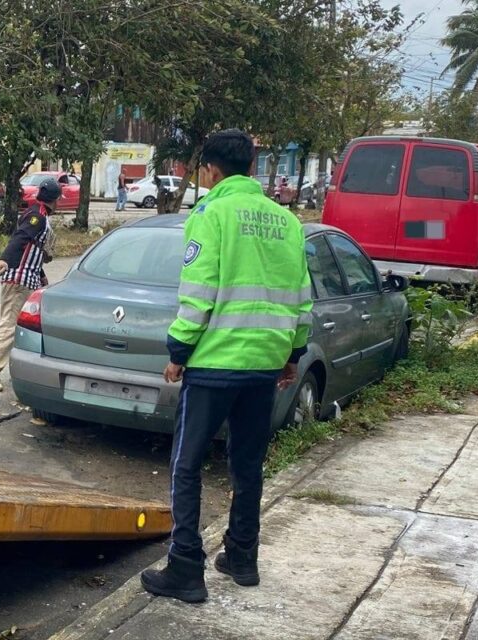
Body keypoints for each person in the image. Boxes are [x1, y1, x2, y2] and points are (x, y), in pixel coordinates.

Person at [140, 129, 313, 604]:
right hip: (265, 365)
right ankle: (241, 557)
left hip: (216, 362)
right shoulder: (286, 221)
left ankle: (185, 568)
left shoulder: (210, 213)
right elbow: (302, 298)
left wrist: (177, 352)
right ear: (252, 166)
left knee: (187, 464)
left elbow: (198, 293)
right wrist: (293, 355)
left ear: (210, 171)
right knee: (247, 464)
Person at [0, 179, 61, 392]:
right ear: (56, 200)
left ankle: (29, 369)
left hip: (30, 279)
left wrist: (42, 277)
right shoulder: (37, 217)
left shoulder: (39, 213)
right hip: (19, 280)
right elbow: (20, 239)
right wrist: (4, 259)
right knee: (9, 325)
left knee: (30, 326)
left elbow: (33, 251)